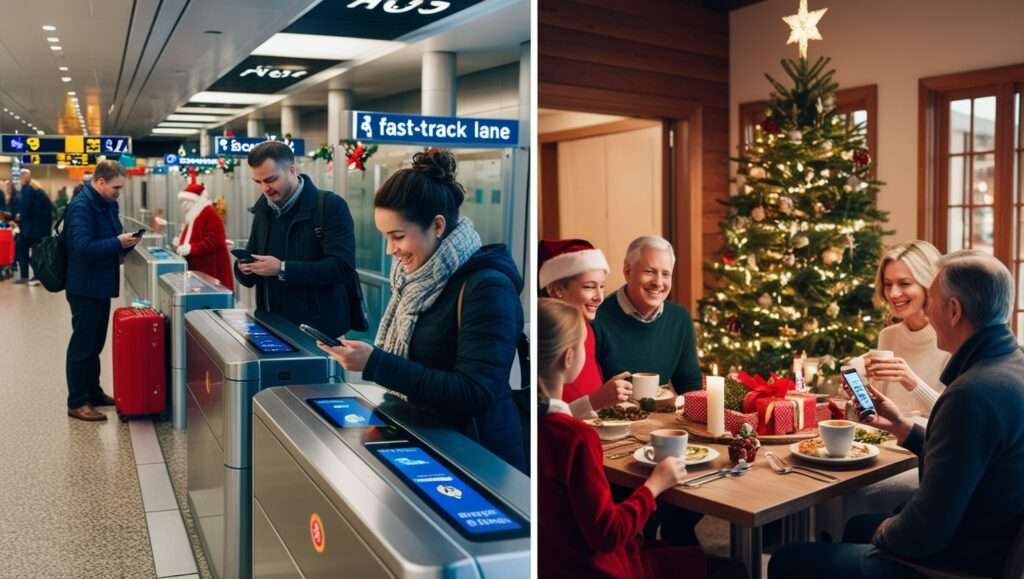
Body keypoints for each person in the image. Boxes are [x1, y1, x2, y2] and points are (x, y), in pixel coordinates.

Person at [769, 250, 1024, 579]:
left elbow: (925, 531)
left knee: (788, 560)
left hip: (959, 561)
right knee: (859, 525)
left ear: (954, 310)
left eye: (931, 298)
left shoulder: (971, 394)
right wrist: (906, 429)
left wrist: (885, 532)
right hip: (986, 539)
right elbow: (964, 459)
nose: (928, 311)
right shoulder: (1012, 365)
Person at [318, 149, 527, 472]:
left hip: (476, 455)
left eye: (398, 236)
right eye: (385, 237)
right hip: (428, 438)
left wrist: (375, 363)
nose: (390, 250)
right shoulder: (414, 280)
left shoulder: (487, 288)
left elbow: (475, 392)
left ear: (438, 225)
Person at [537, 298, 744, 579]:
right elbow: (608, 534)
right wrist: (655, 484)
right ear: (569, 358)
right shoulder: (577, 438)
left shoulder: (530, 423)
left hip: (557, 563)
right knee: (732, 570)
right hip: (600, 568)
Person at [593, 235, 704, 545]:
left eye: (665, 273)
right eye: (649, 272)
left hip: (660, 434)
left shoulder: (679, 319)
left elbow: (690, 385)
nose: (658, 282)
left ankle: (671, 547)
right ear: (628, 271)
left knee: (691, 494)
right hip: (613, 443)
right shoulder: (598, 317)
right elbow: (590, 395)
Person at [234, 141, 361, 337]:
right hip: (271, 326)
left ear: (292, 170)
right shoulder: (263, 210)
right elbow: (252, 264)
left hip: (319, 333)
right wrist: (245, 267)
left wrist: (282, 268)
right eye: (258, 182)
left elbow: (342, 268)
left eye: (271, 179)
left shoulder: (329, 206)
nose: (265, 189)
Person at [63, 160, 141, 421]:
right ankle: (77, 401)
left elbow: (111, 236)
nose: (118, 192)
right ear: (99, 182)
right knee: (82, 345)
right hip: (84, 287)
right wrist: (116, 242)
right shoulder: (81, 207)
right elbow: (82, 247)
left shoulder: (107, 204)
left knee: (96, 343)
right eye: (115, 187)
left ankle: (93, 392)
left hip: (100, 285)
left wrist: (125, 243)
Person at [538, 238, 631, 417]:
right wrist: (595, 401)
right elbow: (549, 420)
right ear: (556, 289)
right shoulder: (548, 335)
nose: (600, 297)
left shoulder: (589, 329)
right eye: (589, 287)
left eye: (602, 287)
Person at [865, 240, 949, 416]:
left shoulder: (951, 339)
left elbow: (951, 416)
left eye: (904, 283)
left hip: (928, 442)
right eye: (888, 284)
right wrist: (863, 388)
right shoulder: (888, 336)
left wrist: (912, 382)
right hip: (890, 440)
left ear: (929, 285)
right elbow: (883, 410)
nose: (894, 294)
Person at [175, 181, 233, 289]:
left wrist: (191, 248)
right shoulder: (194, 215)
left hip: (210, 267)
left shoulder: (209, 213)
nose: (183, 205)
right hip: (199, 266)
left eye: (187, 201)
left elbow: (215, 239)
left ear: (196, 201)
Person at [14, 169, 54, 285]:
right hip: (42, 230)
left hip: (29, 229)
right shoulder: (41, 192)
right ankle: (38, 276)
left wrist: (19, 216)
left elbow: (25, 208)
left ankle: (24, 276)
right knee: (38, 253)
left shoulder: (27, 190)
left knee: (22, 251)